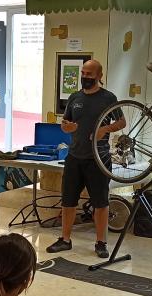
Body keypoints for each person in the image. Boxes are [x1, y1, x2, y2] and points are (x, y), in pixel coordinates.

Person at [45, 59, 126, 259]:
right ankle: (65, 240)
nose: (85, 77)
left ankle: (101, 242)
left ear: (99, 76)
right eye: (83, 73)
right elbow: (66, 124)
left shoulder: (108, 98)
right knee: (68, 200)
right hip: (75, 156)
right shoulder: (75, 98)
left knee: (100, 202)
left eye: (90, 74)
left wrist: (105, 129)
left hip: (99, 158)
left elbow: (122, 122)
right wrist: (67, 128)